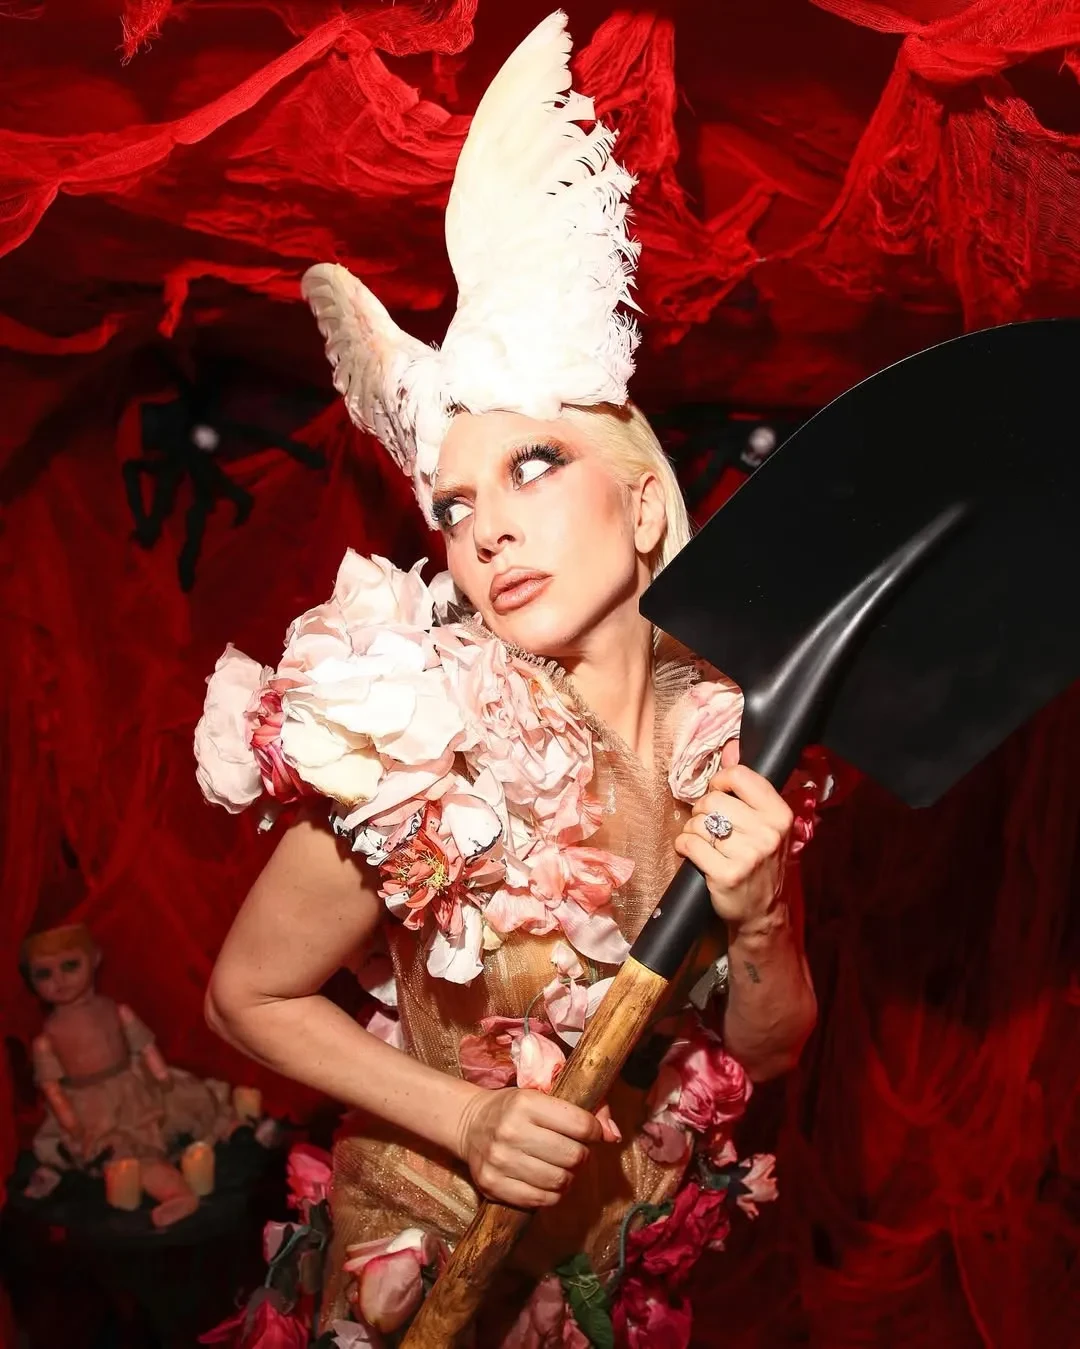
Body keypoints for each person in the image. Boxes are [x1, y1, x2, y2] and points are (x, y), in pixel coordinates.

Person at [196, 12, 820, 1344]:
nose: (483, 530)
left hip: (615, 1264)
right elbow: (245, 994)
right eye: (454, 504)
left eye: (533, 467)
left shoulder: (734, 733)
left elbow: (765, 1051)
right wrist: (465, 1117)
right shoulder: (416, 736)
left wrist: (764, 921)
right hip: (430, 1261)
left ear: (641, 505)